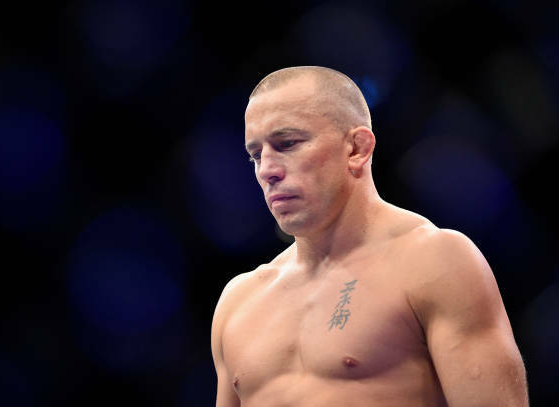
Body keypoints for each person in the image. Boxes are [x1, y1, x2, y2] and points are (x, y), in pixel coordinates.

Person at [210, 66, 528, 406]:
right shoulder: (238, 302)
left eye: (287, 144)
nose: (267, 170)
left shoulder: (434, 262)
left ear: (356, 148)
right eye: (256, 155)